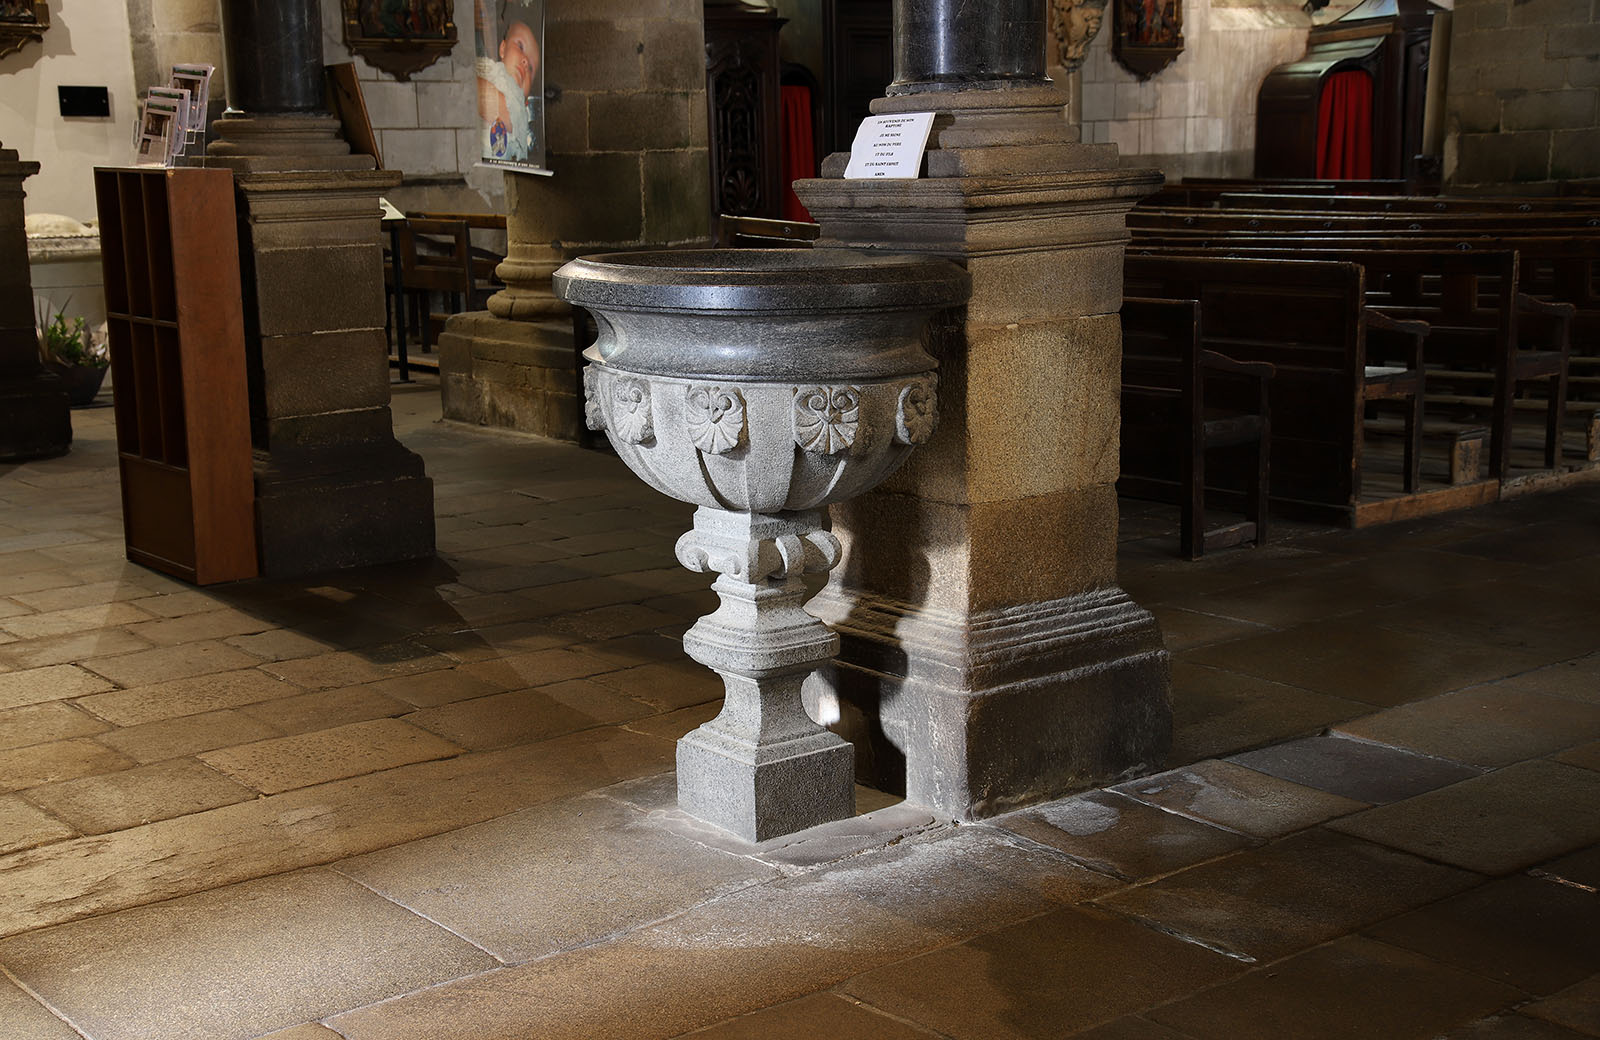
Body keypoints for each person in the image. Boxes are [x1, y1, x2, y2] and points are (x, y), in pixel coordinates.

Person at [477, 15, 540, 162]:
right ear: (503, 49)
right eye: (520, 47)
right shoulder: (486, 67)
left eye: (531, 68)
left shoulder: (518, 108)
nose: (525, 61)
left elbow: (479, 96)